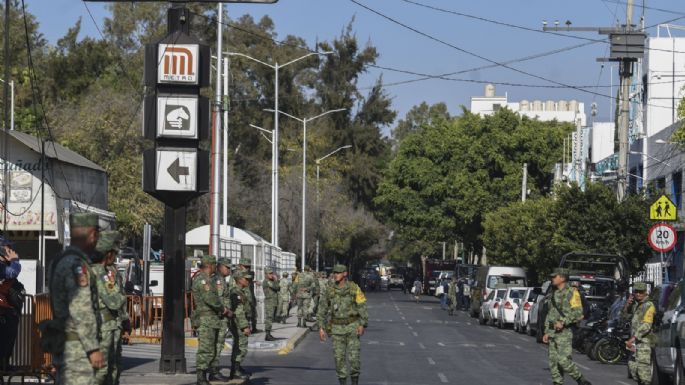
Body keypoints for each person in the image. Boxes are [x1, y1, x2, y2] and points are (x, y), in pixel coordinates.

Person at [48, 212, 104, 384]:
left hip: (66, 347)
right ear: (92, 234)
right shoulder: (76, 265)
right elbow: (81, 308)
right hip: (77, 351)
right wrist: (92, 348)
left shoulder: (60, 260)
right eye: (97, 235)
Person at [317, 264, 369, 385]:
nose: (336, 275)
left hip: (352, 327)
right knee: (339, 360)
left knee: (354, 360)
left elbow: (362, 307)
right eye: (334, 272)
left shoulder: (354, 288)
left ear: (345, 274)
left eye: (338, 272)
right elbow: (322, 309)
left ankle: (355, 382)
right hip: (336, 329)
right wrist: (321, 327)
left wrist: (362, 324)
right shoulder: (329, 289)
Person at [92, 231, 130, 385]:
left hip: (114, 324)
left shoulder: (111, 271)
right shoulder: (96, 271)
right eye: (114, 253)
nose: (116, 256)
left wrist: (125, 319)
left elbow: (118, 301)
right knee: (101, 370)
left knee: (115, 368)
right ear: (108, 253)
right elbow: (114, 301)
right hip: (101, 326)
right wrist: (122, 297)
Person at [543, 268, 592, 385]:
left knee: (564, 361)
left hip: (564, 332)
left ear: (563, 278)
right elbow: (550, 314)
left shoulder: (572, 292)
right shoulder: (554, 293)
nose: (552, 279)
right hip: (552, 333)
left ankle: (582, 381)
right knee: (553, 363)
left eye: (555, 277)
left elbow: (579, 314)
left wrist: (563, 322)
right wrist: (547, 331)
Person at [192, 255, 230, 385]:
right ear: (209, 265)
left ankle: (211, 373)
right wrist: (223, 309)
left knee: (212, 349)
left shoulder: (208, 279)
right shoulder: (202, 280)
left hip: (212, 319)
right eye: (214, 265)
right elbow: (210, 298)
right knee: (205, 349)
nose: (215, 267)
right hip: (205, 319)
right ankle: (200, 377)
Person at [625, 282, 656, 385]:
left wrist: (634, 337)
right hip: (634, 343)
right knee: (633, 368)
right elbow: (624, 317)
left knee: (643, 371)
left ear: (645, 292)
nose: (638, 294)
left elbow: (647, 325)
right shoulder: (636, 305)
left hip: (643, 342)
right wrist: (628, 305)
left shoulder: (649, 305)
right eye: (636, 292)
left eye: (641, 292)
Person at [0, 236, 23, 372]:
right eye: (8, 247)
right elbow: (12, 273)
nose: (12, 250)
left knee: (8, 339)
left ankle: (4, 365)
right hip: (2, 310)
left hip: (7, 309)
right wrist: (15, 261)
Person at [228, 270, 252, 380]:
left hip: (240, 321)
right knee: (240, 347)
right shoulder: (236, 292)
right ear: (239, 280)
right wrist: (244, 326)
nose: (248, 281)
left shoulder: (242, 291)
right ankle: (235, 371)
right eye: (246, 279)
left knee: (240, 346)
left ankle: (236, 368)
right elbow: (239, 311)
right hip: (238, 322)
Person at [215, 258, 233, 377]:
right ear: (220, 267)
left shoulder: (222, 280)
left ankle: (213, 368)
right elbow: (217, 300)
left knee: (219, 344)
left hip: (223, 317)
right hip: (219, 317)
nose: (229, 270)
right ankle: (213, 369)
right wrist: (225, 310)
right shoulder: (216, 280)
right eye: (227, 267)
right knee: (217, 344)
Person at [262, 267, 280, 341]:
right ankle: (267, 335)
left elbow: (278, 287)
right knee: (269, 318)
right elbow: (276, 287)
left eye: (272, 273)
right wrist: (276, 280)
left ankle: (268, 334)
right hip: (269, 302)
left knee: (271, 318)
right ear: (266, 274)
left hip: (273, 302)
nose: (272, 275)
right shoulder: (266, 281)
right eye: (270, 273)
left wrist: (275, 280)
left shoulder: (271, 281)